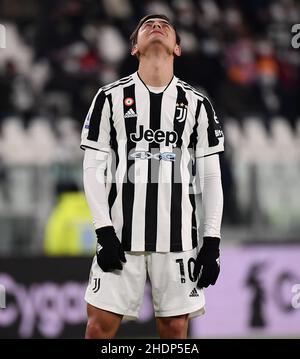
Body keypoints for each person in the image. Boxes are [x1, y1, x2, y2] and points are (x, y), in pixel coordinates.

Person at [80, 14, 224, 339]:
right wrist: (104, 232)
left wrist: (211, 242)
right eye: (147, 25)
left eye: (165, 25)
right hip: (120, 238)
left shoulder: (198, 104)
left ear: (178, 48)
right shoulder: (108, 98)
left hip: (179, 241)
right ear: (134, 48)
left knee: (175, 330)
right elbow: (92, 169)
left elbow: (211, 178)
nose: (156, 26)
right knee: (98, 328)